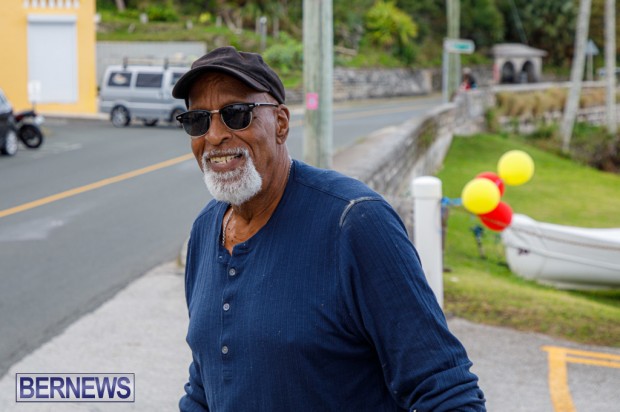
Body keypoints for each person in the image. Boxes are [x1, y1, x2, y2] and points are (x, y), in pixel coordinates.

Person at [172, 46, 486, 412]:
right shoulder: (204, 231)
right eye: (197, 120)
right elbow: (206, 379)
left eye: (236, 114)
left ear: (281, 123)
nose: (214, 136)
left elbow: (447, 392)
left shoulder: (354, 222)